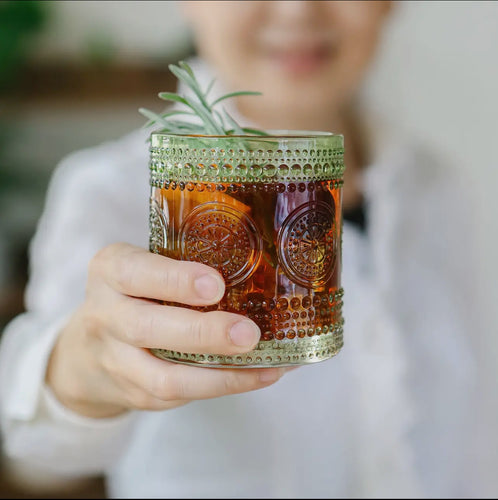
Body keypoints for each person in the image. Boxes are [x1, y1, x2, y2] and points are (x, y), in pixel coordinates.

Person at [0, 1, 492, 498]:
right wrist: (81, 371)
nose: (298, 10)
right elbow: (40, 455)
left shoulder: (441, 190)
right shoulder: (118, 191)